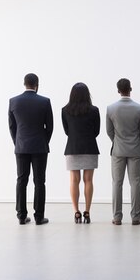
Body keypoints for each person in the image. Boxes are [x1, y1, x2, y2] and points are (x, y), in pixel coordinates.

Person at [8, 73, 53, 225]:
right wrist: (43, 141)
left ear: (24, 83)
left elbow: (12, 126)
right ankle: (39, 217)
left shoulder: (14, 101)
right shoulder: (45, 102)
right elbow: (50, 127)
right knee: (39, 181)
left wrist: (17, 142)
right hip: (39, 146)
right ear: (37, 84)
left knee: (21, 180)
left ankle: (21, 215)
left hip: (21, 147)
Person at [106, 78, 140, 225]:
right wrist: (136, 142)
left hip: (118, 149)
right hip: (135, 149)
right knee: (135, 183)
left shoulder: (111, 109)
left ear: (118, 90)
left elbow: (109, 131)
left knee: (117, 183)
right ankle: (136, 217)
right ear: (131, 88)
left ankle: (117, 217)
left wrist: (117, 142)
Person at [62, 83, 100, 224]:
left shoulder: (65, 110)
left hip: (72, 147)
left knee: (74, 180)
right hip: (90, 147)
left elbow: (67, 131)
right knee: (88, 180)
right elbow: (96, 131)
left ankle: (76, 211)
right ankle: (87, 212)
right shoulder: (94, 110)